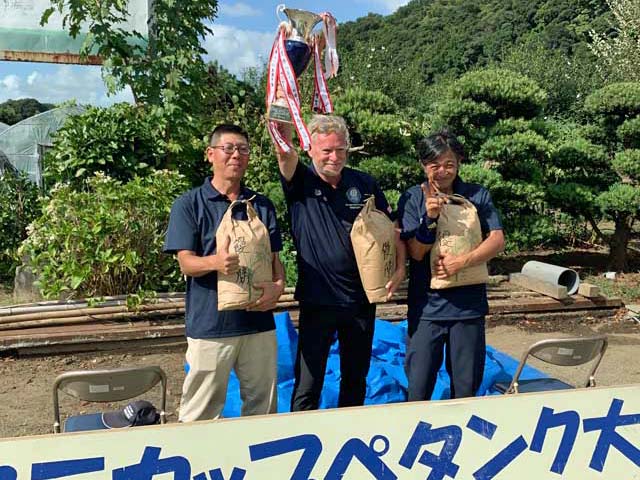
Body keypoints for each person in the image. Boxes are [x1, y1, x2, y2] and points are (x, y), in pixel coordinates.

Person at [271, 115, 406, 411]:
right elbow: (283, 150)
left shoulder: (363, 182)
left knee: (356, 377)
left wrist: (398, 267)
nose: (334, 157)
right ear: (311, 150)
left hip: (361, 298)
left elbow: (391, 227)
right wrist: (282, 108)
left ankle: (349, 437)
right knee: (309, 380)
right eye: (327, 151)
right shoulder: (300, 182)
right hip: (318, 299)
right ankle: (301, 437)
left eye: (340, 150)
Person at [164, 124, 285, 421]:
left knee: (263, 410)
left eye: (243, 150)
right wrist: (215, 263)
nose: (236, 156)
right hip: (211, 328)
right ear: (210, 154)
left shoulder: (260, 205)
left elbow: (274, 260)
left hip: (258, 325)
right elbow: (186, 263)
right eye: (228, 148)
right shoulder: (189, 204)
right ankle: (195, 464)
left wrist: (279, 286)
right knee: (200, 413)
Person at [398, 129, 504, 401]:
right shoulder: (412, 198)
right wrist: (430, 218)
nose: (443, 171)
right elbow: (417, 253)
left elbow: (497, 239)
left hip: (468, 307)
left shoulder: (476, 195)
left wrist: (462, 262)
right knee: (418, 386)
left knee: (466, 387)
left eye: (450, 164)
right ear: (423, 165)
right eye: (435, 165)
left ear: (458, 164)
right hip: (427, 307)